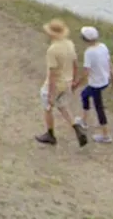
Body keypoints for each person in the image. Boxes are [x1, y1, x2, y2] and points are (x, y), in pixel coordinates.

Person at [35, 19, 88, 147]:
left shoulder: (52, 50)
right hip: (68, 81)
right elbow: (75, 64)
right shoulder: (69, 44)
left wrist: (51, 94)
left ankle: (50, 134)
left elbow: (52, 74)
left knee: (47, 108)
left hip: (56, 84)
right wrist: (74, 81)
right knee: (63, 106)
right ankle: (76, 128)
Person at [75, 26, 113, 143]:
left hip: (96, 84)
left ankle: (105, 135)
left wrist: (77, 83)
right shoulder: (103, 47)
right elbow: (109, 63)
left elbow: (86, 72)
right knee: (84, 95)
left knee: (99, 108)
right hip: (105, 80)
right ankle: (84, 120)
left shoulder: (89, 53)